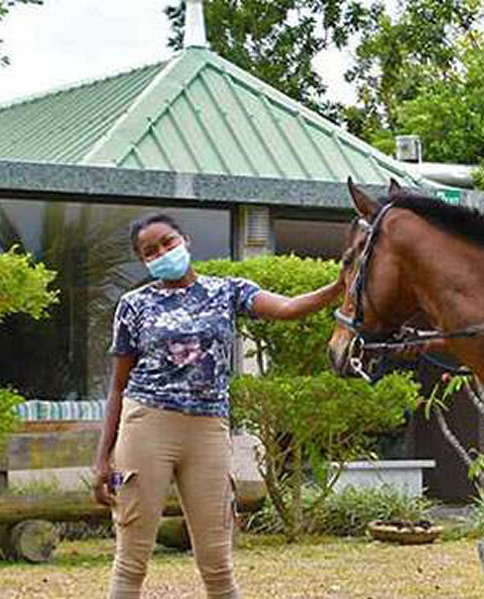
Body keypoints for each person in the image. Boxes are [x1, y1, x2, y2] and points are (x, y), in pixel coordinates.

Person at [92, 213, 344, 599]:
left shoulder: (227, 291)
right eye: (150, 251)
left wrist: (339, 287)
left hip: (208, 430)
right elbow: (117, 387)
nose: (162, 253)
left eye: (167, 242)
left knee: (217, 563)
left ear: (186, 241)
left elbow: (289, 308)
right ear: (143, 261)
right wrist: (102, 458)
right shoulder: (133, 305)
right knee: (131, 560)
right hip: (146, 426)